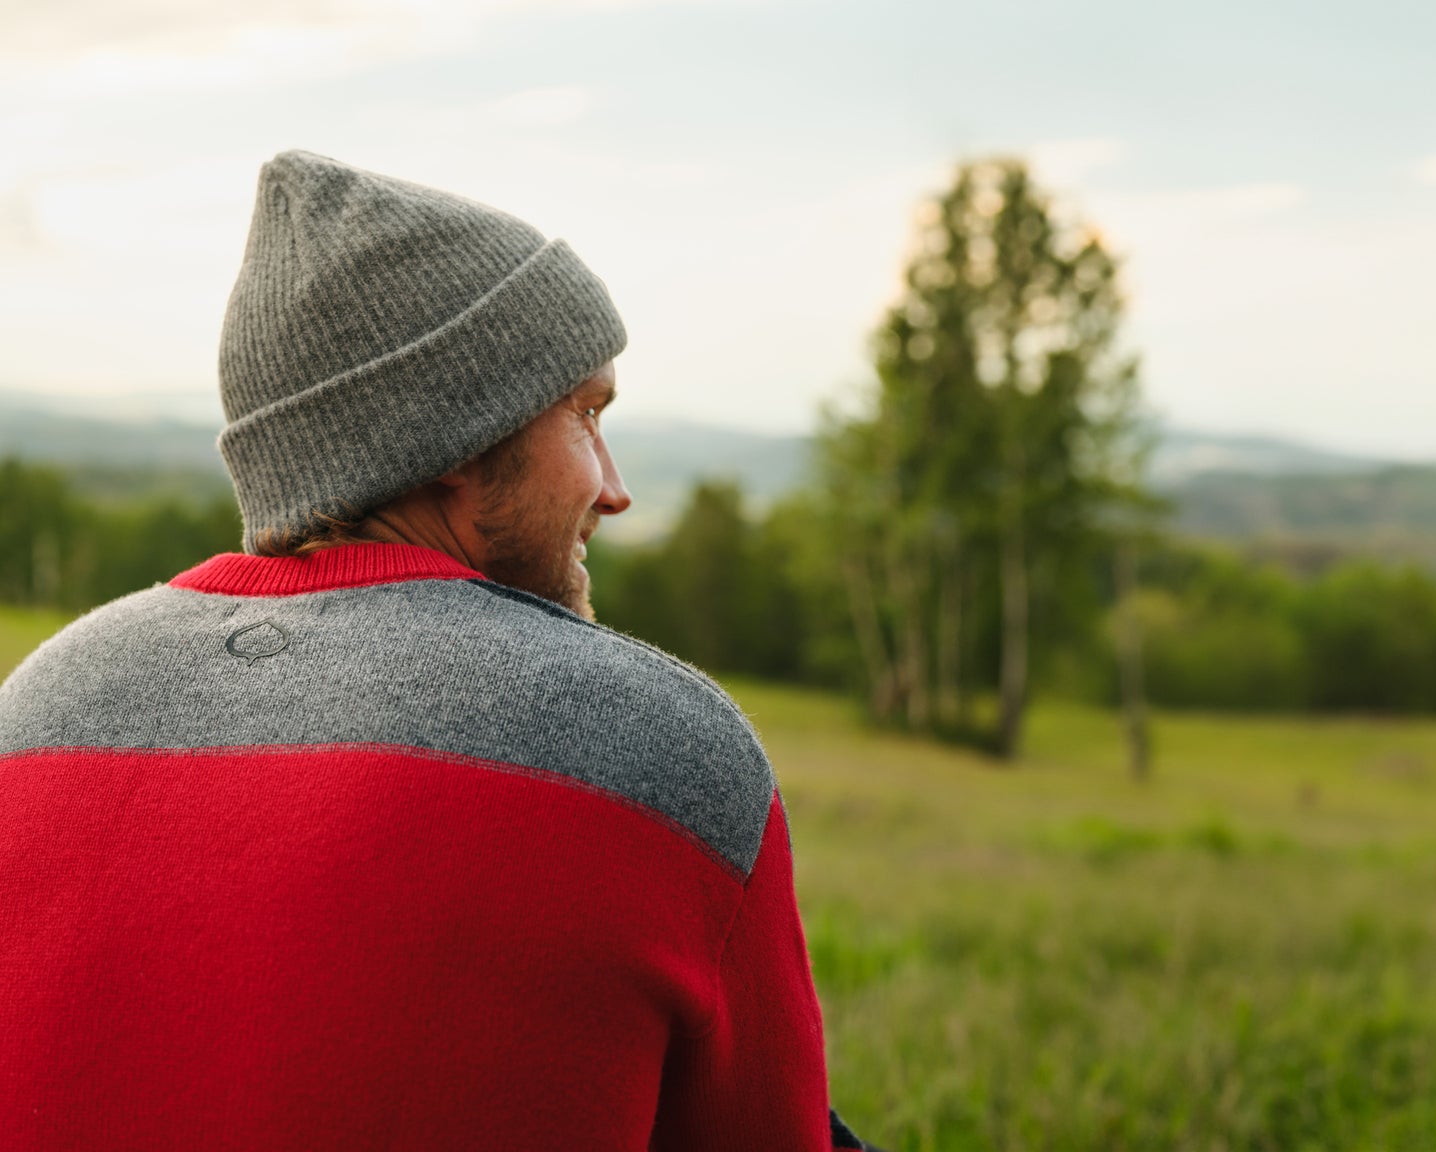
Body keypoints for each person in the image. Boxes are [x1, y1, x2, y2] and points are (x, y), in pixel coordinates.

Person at [0, 151, 872, 1151]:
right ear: (458, 435)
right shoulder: (660, 750)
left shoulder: (32, 710)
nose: (614, 486)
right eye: (586, 414)